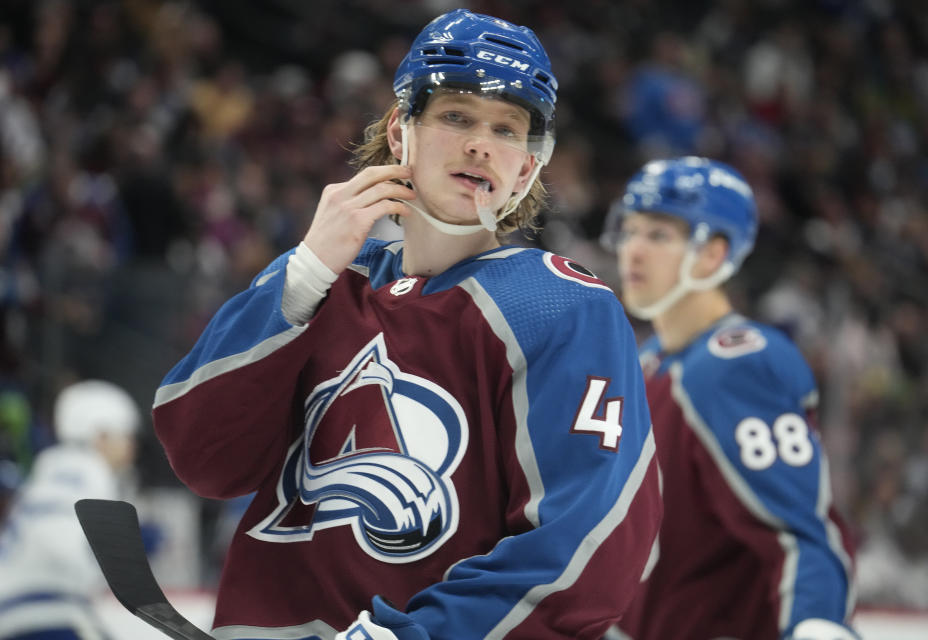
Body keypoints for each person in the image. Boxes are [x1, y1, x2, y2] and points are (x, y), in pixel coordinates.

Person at [153, 9, 662, 640]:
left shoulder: (562, 305)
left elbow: (589, 543)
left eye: (506, 129)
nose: (481, 143)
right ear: (401, 133)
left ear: (527, 167)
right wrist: (305, 274)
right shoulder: (323, 276)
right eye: (455, 116)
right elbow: (203, 458)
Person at [603, 156, 858, 640]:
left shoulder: (735, 364)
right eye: (629, 230)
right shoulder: (648, 361)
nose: (632, 251)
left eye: (658, 235)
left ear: (713, 255)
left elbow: (798, 533)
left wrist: (816, 623)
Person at [0, 379, 140, 640]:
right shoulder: (83, 468)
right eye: (125, 435)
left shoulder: (54, 464)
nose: (131, 447)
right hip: (43, 607)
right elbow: (57, 536)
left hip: (20, 607)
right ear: (101, 434)